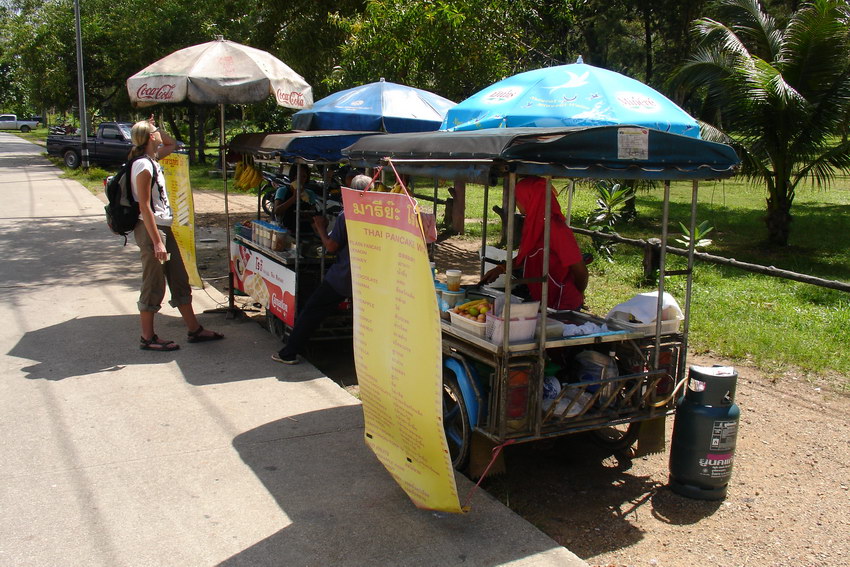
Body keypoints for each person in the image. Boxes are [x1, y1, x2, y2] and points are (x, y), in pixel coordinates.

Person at [129, 117, 224, 351]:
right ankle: (147, 338)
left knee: (179, 276)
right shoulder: (142, 165)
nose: (160, 135)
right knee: (153, 282)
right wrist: (157, 242)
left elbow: (173, 145)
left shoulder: (152, 158)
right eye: (155, 132)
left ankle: (194, 329)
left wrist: (155, 127)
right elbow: (144, 206)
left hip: (162, 227)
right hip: (152, 229)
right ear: (151, 138)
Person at [272, 174, 373, 365]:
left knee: (312, 310)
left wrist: (320, 227)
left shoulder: (348, 214)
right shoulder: (379, 214)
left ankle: (289, 353)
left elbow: (332, 246)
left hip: (344, 276)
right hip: (369, 277)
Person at [479, 175, 589, 310]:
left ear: (531, 198)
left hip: (563, 303)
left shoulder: (557, 229)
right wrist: (501, 268)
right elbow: (527, 256)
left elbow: (581, 271)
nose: (516, 203)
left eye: (518, 198)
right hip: (544, 298)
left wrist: (578, 293)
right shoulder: (535, 225)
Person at [272, 163, 311, 232]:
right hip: (285, 231)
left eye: (304, 176)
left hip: (304, 231)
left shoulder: (310, 194)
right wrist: (294, 198)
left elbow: (312, 215)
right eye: (297, 176)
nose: (300, 180)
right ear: (293, 176)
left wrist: (307, 214)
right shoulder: (282, 191)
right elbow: (277, 211)